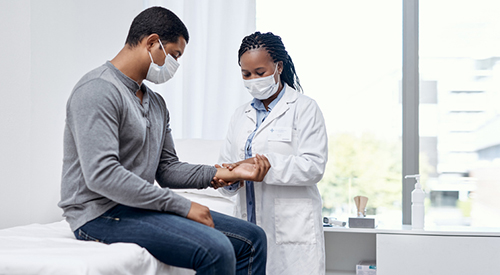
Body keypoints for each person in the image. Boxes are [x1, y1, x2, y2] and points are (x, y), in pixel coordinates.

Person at [58, 7, 270, 275]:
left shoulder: (156, 103)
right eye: (174, 55)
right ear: (151, 42)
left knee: (252, 239)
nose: (175, 66)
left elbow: (167, 169)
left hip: (138, 207)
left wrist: (224, 172)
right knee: (215, 248)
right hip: (98, 215)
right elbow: (103, 176)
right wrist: (184, 206)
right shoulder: (97, 90)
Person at [215, 31, 328, 275]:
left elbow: (313, 166)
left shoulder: (304, 108)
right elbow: (227, 165)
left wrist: (261, 168)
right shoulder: (239, 115)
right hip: (247, 230)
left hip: (291, 230)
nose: (252, 79)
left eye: (260, 72)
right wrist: (230, 178)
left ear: (278, 66)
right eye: (246, 74)